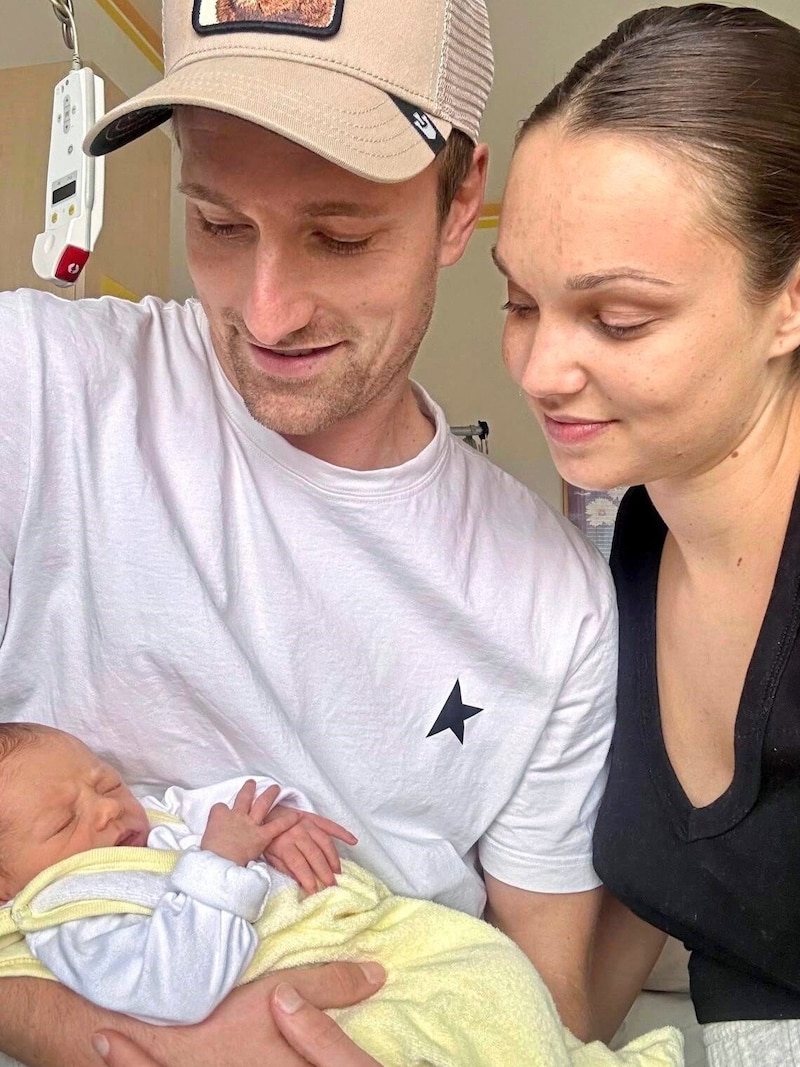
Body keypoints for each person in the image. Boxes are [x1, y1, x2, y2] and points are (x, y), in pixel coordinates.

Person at [0, 1, 619, 1062]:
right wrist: (88, 1032)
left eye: (339, 235)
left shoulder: (551, 604)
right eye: (218, 223)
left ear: (459, 196)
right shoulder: (36, 393)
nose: (269, 311)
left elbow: (546, 1008)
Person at [494, 4, 800, 1064]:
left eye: (616, 319)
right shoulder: (638, 538)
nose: (537, 370)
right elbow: (661, 893)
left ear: (789, 300)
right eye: (518, 303)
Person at [0, 725, 683, 1067]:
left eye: (106, 782)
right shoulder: (72, 906)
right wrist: (219, 859)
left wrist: (279, 823)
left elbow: (223, 806)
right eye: (63, 820)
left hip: (379, 938)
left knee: (490, 979)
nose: (103, 810)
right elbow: (173, 985)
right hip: (298, 1002)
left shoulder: (144, 825)